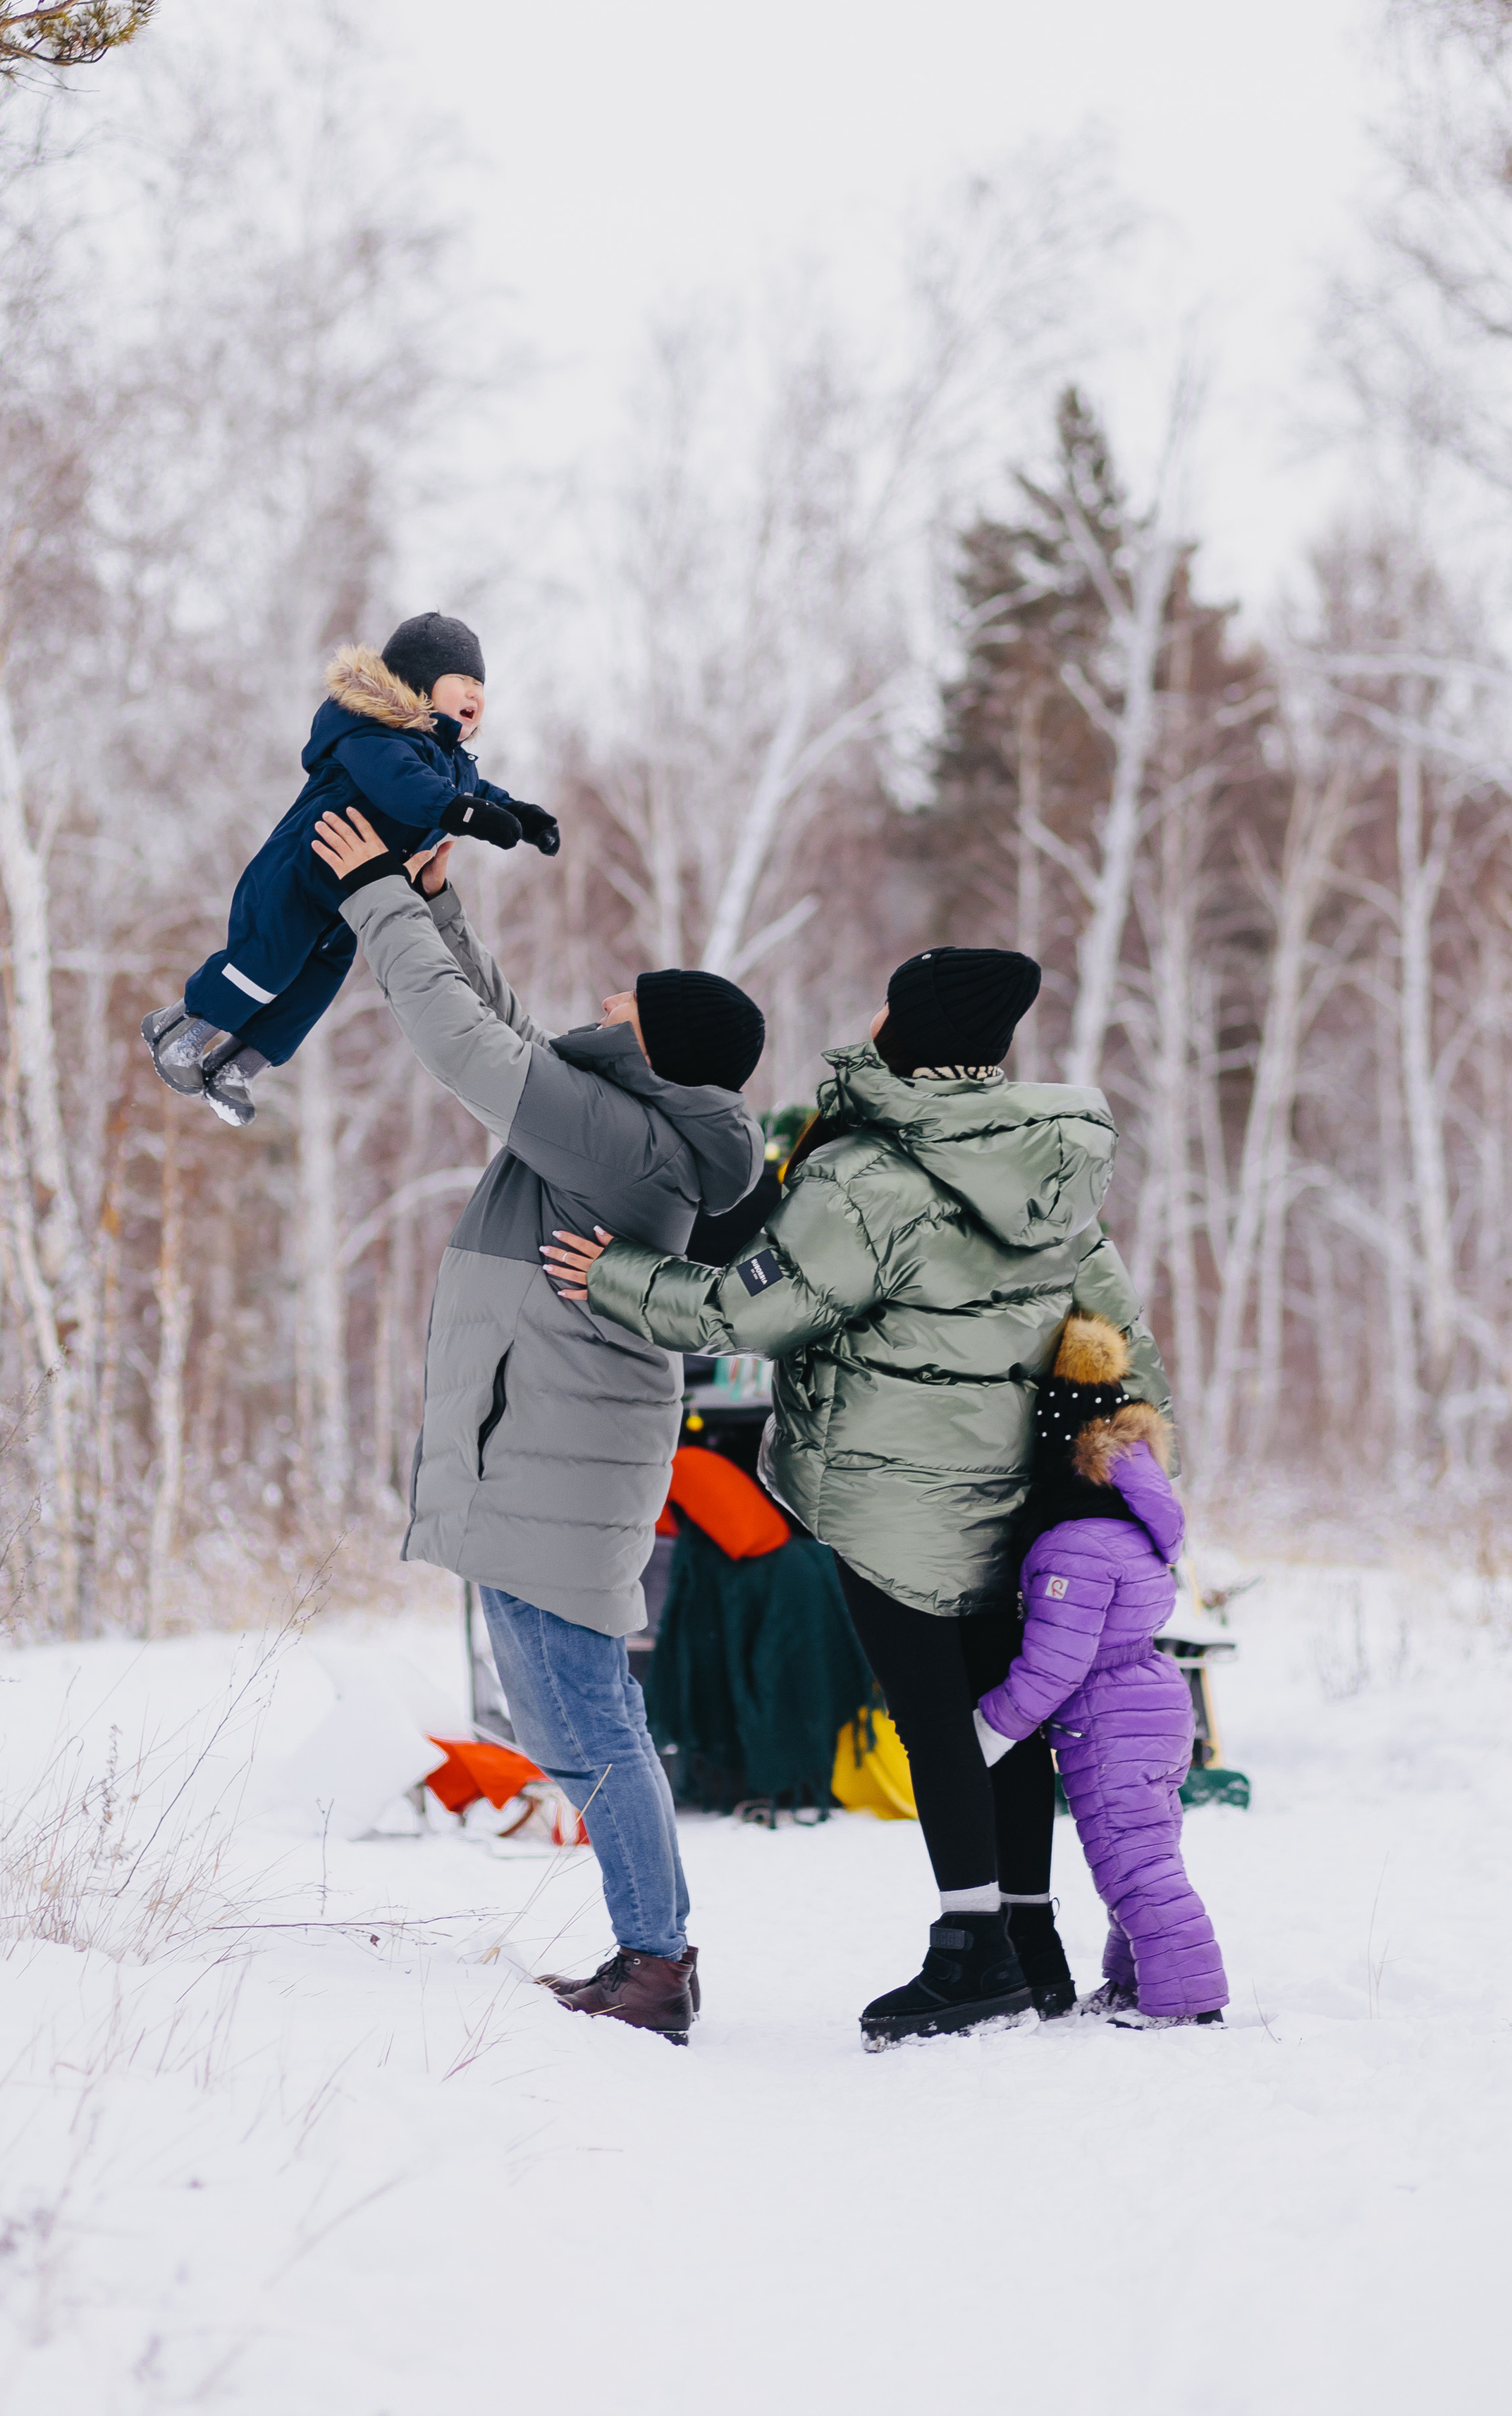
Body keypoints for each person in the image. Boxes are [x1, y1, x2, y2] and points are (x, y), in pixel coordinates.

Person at [544, 943, 1172, 2049]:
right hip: (1014, 1487)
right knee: (1003, 1714)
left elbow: (749, 1314)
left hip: (891, 1491)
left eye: (888, 1001)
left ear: (912, 1032)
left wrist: (612, 1274)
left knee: (935, 1719)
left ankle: (967, 1951)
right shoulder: (1053, 1161)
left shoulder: (870, 1177)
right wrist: (1121, 1457)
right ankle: (1031, 1939)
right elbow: (1117, 1326)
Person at [309, 799, 766, 2044]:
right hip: (554, 1446)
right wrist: (439, 904)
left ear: (661, 1047)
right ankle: (655, 1954)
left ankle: (657, 1965)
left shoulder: (629, 1141)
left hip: (555, 1455)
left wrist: (378, 904)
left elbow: (467, 1048)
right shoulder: (637, 1120)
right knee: (583, 1719)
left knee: (584, 1726)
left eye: (631, 1004)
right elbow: (512, 1031)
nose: (611, 1005)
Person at [142, 615, 560, 1127]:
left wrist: (526, 817)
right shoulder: (368, 732)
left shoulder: (454, 765)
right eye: (464, 681)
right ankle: (179, 1031)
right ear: (421, 680)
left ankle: (237, 1067)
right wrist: (465, 814)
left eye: (481, 686)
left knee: (314, 988)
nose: (476, 694)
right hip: (297, 874)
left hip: (349, 898)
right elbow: (403, 785)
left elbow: (481, 795)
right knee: (265, 966)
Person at [973, 1312, 1227, 2028]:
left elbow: (1053, 1664)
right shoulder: (1130, 1528)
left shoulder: (1073, 1546)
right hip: (1151, 1705)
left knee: (1135, 1865)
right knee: (1136, 1855)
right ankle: (1137, 1981)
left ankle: (1185, 2001)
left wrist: (990, 1726)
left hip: (1109, 1721)